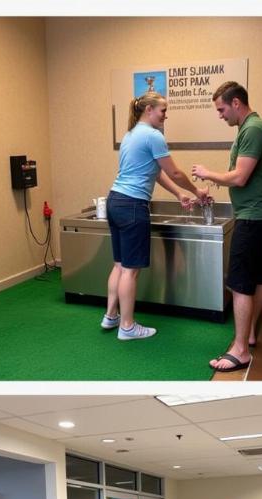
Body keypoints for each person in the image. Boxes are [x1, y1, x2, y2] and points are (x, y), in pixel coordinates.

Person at [102, 92, 209, 340]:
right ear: (149, 109)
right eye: (163, 110)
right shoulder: (153, 136)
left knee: (119, 265)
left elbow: (157, 173)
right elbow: (174, 172)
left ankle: (111, 316)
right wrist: (196, 190)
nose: (165, 115)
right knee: (130, 270)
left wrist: (179, 195)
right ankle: (127, 327)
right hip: (132, 205)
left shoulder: (130, 134)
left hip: (115, 200)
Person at [192, 82, 262, 373]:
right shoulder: (249, 129)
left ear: (236, 104)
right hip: (261, 214)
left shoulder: (253, 129)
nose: (220, 115)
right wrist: (216, 181)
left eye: (221, 109)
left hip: (255, 216)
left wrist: (208, 174)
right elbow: (242, 176)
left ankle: (241, 350)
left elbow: (241, 177)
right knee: (257, 277)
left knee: (242, 282)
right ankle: (250, 333)